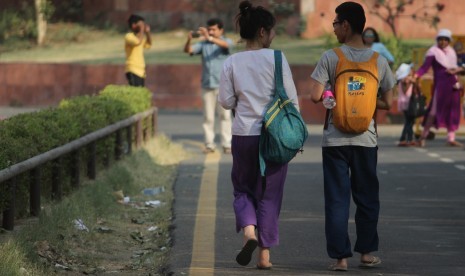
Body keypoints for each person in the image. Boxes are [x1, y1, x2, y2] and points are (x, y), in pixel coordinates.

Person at [308, 1, 395, 271]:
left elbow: (314, 96)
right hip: (366, 139)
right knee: (367, 196)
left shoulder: (331, 57)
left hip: (335, 140)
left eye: (335, 23)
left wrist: (335, 96)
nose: (334, 29)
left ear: (346, 25)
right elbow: (389, 102)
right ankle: (367, 253)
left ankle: (340, 258)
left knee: (337, 198)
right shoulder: (378, 60)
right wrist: (365, 102)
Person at [218, 0, 300, 269]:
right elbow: (291, 99)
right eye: (273, 31)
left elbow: (226, 101)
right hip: (274, 136)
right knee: (270, 194)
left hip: (244, 135)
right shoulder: (277, 58)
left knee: (242, 189)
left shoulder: (232, 61)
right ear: (263, 32)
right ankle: (265, 256)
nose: (273, 36)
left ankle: (249, 233)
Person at [184, 18, 233, 154]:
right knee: (208, 117)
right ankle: (209, 144)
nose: (211, 32)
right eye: (209, 29)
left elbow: (226, 46)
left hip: (224, 86)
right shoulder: (204, 44)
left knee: (225, 116)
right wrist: (189, 40)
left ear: (221, 30)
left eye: (213, 29)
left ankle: (227, 144)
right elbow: (188, 50)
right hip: (207, 85)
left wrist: (209, 38)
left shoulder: (225, 41)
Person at [415, 29, 463, 147]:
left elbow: (456, 67)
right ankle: (422, 137)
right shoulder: (433, 52)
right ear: (437, 40)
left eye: (445, 40)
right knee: (433, 112)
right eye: (440, 39)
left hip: (453, 85)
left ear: (449, 41)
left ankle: (451, 138)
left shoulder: (451, 52)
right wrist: (416, 75)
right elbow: (424, 67)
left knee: (453, 111)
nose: (442, 42)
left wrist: (457, 69)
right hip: (440, 86)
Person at [125, 14, 152, 87]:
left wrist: (147, 32)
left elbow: (149, 44)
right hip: (132, 69)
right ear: (133, 25)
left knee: (140, 93)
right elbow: (137, 42)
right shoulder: (129, 36)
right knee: (135, 93)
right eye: (140, 25)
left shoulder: (141, 37)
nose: (142, 27)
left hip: (141, 71)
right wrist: (142, 30)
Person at [396, 63, 417, 146]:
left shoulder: (404, 79)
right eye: (410, 69)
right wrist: (411, 81)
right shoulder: (405, 80)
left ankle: (409, 138)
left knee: (410, 121)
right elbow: (405, 90)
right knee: (409, 122)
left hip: (406, 103)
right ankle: (404, 139)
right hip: (407, 103)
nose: (411, 71)